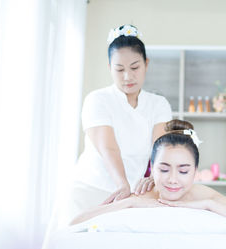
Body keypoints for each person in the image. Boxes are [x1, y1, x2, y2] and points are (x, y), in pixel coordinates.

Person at [70, 120, 226, 229]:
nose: (173, 179)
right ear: (152, 169)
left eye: (183, 170)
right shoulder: (143, 195)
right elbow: (76, 221)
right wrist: (128, 203)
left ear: (195, 172)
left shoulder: (204, 195)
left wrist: (209, 206)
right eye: (164, 169)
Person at [70, 24, 171, 218]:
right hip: (91, 188)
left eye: (135, 67)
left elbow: (161, 147)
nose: (127, 76)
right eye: (119, 69)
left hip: (132, 192)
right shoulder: (97, 100)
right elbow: (109, 147)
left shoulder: (159, 104)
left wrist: (154, 178)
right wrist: (122, 183)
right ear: (110, 68)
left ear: (146, 64)